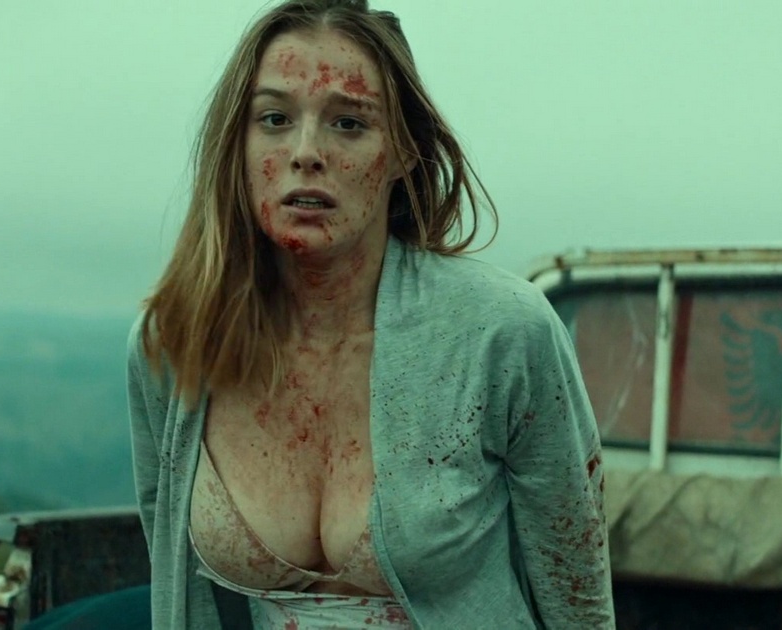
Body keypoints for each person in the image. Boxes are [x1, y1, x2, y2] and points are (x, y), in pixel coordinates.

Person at [127, 0, 614, 627]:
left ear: (404, 150)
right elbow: (172, 576)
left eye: (349, 123)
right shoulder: (179, 343)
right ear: (237, 143)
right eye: (274, 118)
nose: (306, 152)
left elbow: (579, 601)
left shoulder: (501, 333)